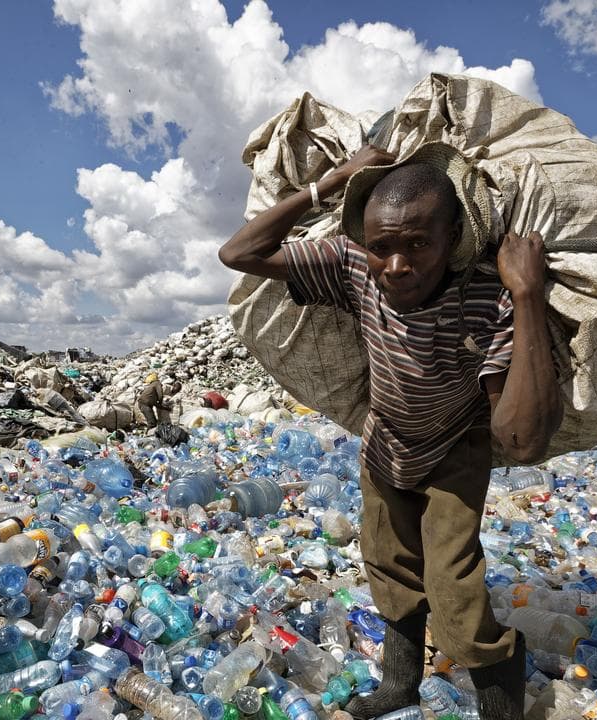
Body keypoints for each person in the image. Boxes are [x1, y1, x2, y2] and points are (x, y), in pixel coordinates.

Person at [219, 145, 562, 720]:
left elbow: (521, 439)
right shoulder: (354, 268)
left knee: (454, 590)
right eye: (382, 247)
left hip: (455, 449)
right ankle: (400, 686)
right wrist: (333, 182)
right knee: (388, 568)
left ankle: (501, 704)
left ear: (453, 238)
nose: (397, 266)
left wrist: (527, 294)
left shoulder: (487, 298)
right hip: (385, 447)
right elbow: (240, 252)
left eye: (418, 244)